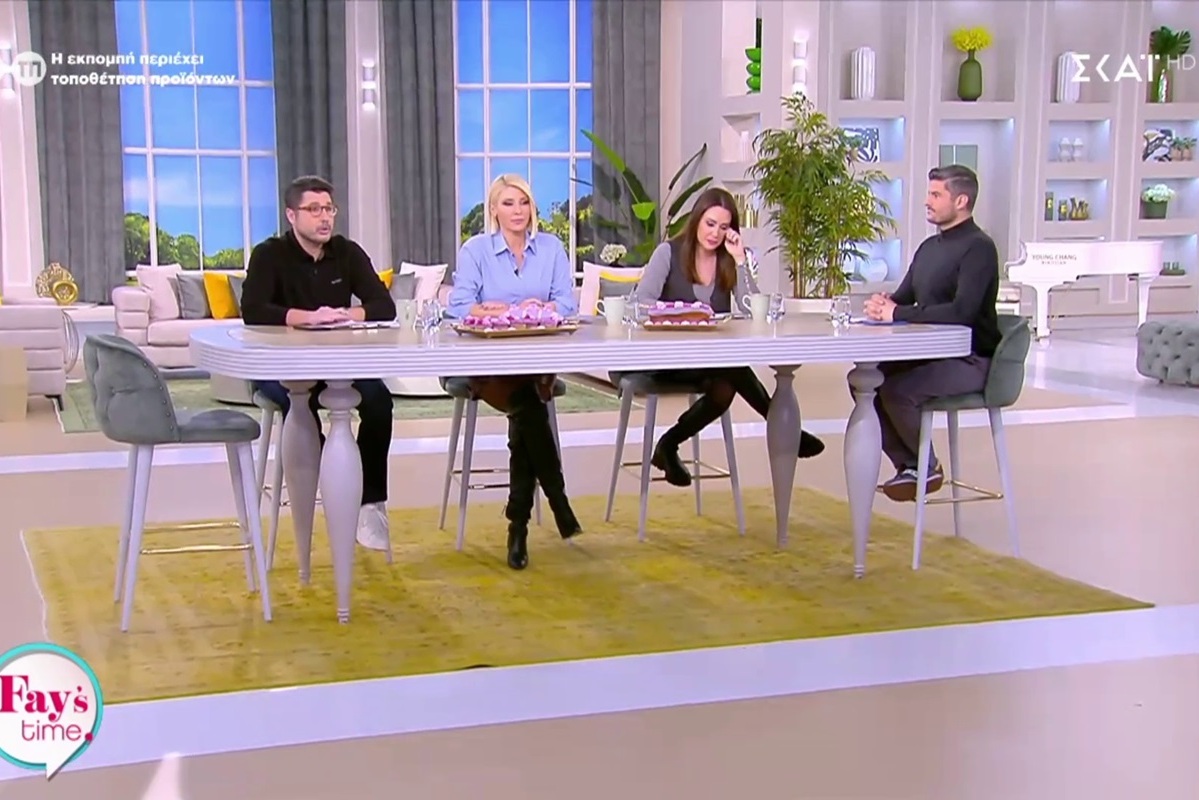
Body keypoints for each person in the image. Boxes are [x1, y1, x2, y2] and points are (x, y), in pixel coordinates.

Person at [239, 175, 398, 551]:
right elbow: (253, 310)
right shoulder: (269, 255)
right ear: (291, 215)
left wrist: (343, 315)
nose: (324, 217)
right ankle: (338, 482)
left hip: (336, 365)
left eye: (329, 209)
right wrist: (306, 318)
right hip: (282, 370)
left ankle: (368, 501)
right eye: (314, 209)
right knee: (301, 410)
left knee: (379, 401)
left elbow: (384, 305)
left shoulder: (347, 253)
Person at [628, 186, 825, 487]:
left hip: (708, 361)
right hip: (667, 358)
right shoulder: (668, 253)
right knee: (735, 369)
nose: (715, 234)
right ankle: (787, 431)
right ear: (697, 219)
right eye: (710, 224)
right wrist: (680, 315)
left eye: (723, 227)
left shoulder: (727, 260)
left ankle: (668, 444)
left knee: (725, 386)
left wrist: (741, 261)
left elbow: (752, 310)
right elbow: (641, 304)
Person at [445, 174, 582, 570]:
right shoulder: (476, 250)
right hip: (485, 366)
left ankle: (519, 525)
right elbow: (458, 306)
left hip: (536, 364)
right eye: (508, 203)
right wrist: (490, 309)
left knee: (526, 410)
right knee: (528, 406)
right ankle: (554, 502)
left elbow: (567, 304)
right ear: (494, 210)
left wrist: (546, 307)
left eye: (524, 203)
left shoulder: (551, 248)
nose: (518, 211)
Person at [863, 164, 1001, 502]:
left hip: (970, 360)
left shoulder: (979, 248)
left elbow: (962, 312)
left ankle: (924, 466)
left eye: (936, 195)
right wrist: (884, 304)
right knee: (866, 382)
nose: (927, 201)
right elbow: (903, 297)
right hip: (931, 355)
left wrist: (898, 313)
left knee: (897, 390)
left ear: (961, 201)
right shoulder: (929, 248)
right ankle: (912, 465)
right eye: (929, 193)